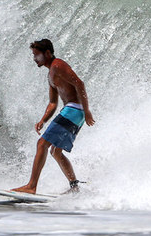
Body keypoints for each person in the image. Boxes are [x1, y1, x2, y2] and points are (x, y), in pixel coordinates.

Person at [12, 39, 96, 194]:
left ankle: (31, 186)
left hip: (74, 110)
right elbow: (52, 103)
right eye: (33, 55)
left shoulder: (58, 65)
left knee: (42, 144)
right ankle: (74, 186)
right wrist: (43, 120)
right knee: (55, 151)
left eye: (36, 55)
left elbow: (80, 84)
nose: (34, 58)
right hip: (74, 112)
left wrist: (87, 110)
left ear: (47, 53)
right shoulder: (50, 74)